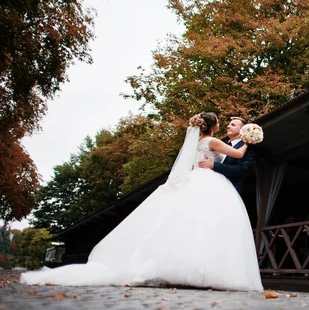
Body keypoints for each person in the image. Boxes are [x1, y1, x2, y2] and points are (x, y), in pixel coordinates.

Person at [20, 112, 264, 292]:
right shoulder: (213, 142)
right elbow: (237, 155)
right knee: (194, 224)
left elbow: (231, 163)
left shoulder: (200, 142)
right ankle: (195, 271)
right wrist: (248, 139)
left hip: (201, 180)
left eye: (233, 124)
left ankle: (196, 269)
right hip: (207, 182)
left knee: (193, 224)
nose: (227, 125)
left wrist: (240, 143)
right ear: (213, 126)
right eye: (224, 122)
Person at [198, 116, 252, 196]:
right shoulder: (221, 145)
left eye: (233, 125)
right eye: (229, 124)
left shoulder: (246, 147)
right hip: (211, 186)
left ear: (242, 130)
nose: (228, 126)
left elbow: (241, 170)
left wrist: (214, 165)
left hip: (231, 191)